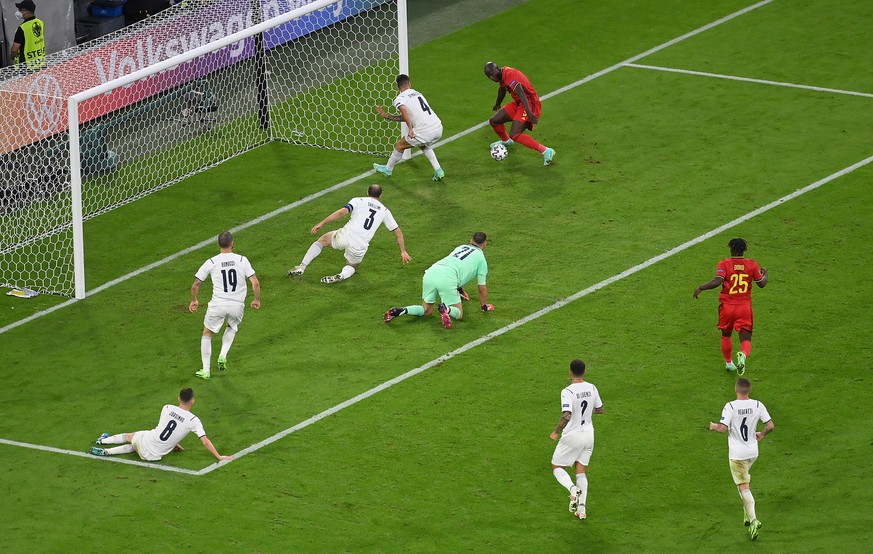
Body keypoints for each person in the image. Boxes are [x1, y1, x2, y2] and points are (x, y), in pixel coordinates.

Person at [288, 184, 411, 283]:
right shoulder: (385, 211)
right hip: (361, 244)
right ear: (381, 195)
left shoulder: (358, 200)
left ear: (367, 192)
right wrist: (403, 251)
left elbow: (341, 213)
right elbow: (398, 232)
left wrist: (322, 223)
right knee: (353, 265)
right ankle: (342, 275)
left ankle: (302, 266)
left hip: (346, 235)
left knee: (322, 240)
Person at [708, 377, 774, 541]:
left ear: (736, 389)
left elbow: (722, 429)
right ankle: (747, 511)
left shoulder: (730, 406)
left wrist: (713, 426)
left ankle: (753, 521)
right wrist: (762, 434)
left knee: (743, 486)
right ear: (749, 390)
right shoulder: (758, 405)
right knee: (743, 482)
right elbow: (770, 425)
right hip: (753, 453)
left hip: (737, 455)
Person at [90, 388, 233, 462]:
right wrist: (219, 457)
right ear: (193, 401)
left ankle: (102, 441)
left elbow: (165, 427)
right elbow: (205, 441)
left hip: (146, 441)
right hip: (154, 456)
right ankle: (106, 452)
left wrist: (174, 443)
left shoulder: (167, 408)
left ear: (178, 398)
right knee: (137, 446)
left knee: (131, 436)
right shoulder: (194, 420)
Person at [384, 232, 493, 329]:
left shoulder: (461, 247)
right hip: (448, 278)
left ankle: (400, 310)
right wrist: (484, 306)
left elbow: (456, 264)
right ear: (485, 244)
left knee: (426, 310)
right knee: (459, 314)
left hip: (431, 272)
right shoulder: (481, 259)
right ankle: (446, 309)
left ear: (471, 240)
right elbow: (481, 287)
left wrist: (459, 290)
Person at [189, 231, 261, 380]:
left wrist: (194, 300)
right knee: (231, 327)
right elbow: (255, 282)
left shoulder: (211, 262)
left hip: (218, 305)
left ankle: (206, 370)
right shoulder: (242, 260)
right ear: (232, 243)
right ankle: (222, 355)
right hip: (237, 305)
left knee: (207, 333)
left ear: (217, 244)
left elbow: (196, 284)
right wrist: (256, 299)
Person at [693, 238, 768, 374]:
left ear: (731, 249)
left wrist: (701, 288)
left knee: (726, 335)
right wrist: (765, 274)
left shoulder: (725, 264)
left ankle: (729, 363)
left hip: (727, 307)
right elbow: (761, 284)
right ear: (744, 250)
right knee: (746, 338)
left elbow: (717, 282)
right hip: (744, 307)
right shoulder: (751, 264)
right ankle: (743, 355)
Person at [549, 359, 604, 520]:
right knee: (580, 470)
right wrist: (584, 413)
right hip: (589, 435)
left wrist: (556, 431)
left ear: (570, 373)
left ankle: (572, 489)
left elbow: (567, 415)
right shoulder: (592, 387)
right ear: (585, 371)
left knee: (557, 465)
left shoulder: (568, 391)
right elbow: (600, 409)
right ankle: (582, 509)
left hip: (573, 435)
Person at [373, 74, 445, 182]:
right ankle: (439, 170)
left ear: (398, 87)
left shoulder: (400, 98)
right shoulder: (418, 93)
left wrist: (410, 129)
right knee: (423, 144)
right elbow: (407, 116)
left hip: (425, 131)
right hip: (438, 127)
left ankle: (388, 169)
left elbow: (404, 110)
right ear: (409, 84)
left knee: (400, 145)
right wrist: (387, 116)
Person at [484, 61, 555, 166]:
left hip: (530, 104)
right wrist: (497, 104)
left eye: (492, 74)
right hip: (519, 104)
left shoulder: (510, 75)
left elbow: (521, 94)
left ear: (497, 69)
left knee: (515, 134)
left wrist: (529, 112)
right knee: (495, 121)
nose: (492, 78)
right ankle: (506, 141)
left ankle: (546, 151)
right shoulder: (502, 76)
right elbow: (502, 90)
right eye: (489, 76)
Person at [10, 0, 46, 70]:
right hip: (40, 62)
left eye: (20, 10)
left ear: (27, 12)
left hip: (26, 66)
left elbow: (14, 50)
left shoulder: (22, 28)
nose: (18, 12)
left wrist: (12, 56)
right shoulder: (40, 23)